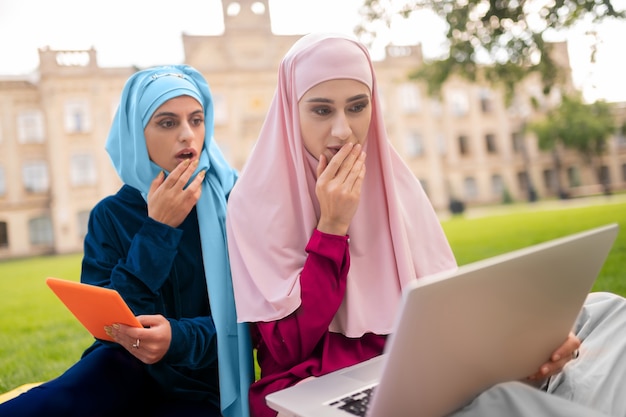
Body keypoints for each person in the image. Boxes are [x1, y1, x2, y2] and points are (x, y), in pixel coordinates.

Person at [225, 32, 626, 417]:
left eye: (357, 106)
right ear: (289, 111)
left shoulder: (394, 184)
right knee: (508, 402)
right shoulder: (255, 202)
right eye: (321, 109)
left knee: (607, 311)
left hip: (417, 365)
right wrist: (331, 227)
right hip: (319, 384)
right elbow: (287, 348)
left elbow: (443, 308)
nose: (342, 131)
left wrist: (512, 347)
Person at [0, 65, 253, 417]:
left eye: (196, 120)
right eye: (167, 123)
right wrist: (158, 228)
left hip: (202, 383)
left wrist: (176, 339)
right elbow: (107, 322)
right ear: (137, 133)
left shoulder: (234, 204)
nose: (187, 135)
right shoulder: (110, 214)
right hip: (121, 369)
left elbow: (254, 319)